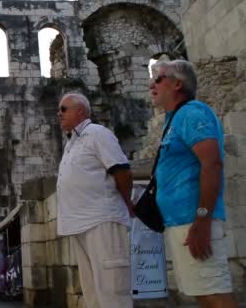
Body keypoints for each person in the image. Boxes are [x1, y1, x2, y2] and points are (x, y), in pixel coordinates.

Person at [150, 60, 237, 308]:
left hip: (194, 221)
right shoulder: (175, 119)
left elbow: (212, 164)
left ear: (177, 84)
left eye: (159, 79)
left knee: (215, 294)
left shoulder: (192, 113)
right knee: (203, 293)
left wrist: (202, 220)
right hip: (181, 222)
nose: (151, 84)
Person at [55, 92, 134, 308]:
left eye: (63, 109)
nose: (58, 113)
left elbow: (122, 170)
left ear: (80, 110)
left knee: (113, 292)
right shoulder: (71, 143)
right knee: (92, 294)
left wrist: (127, 204)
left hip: (102, 221)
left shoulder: (97, 133)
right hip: (80, 225)